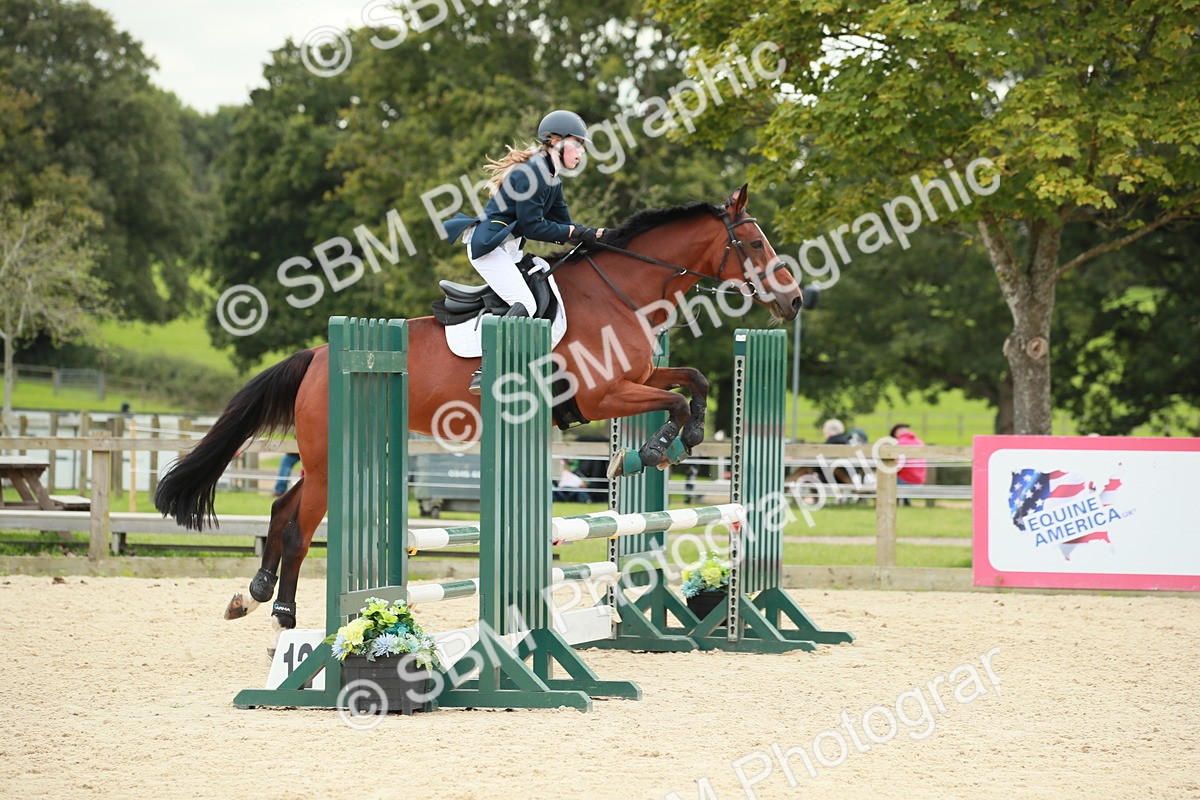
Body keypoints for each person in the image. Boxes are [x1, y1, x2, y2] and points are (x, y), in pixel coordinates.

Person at [442, 110, 606, 395]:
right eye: (577, 144)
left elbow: (564, 224)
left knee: (545, 281)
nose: (580, 152)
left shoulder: (551, 177)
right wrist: (574, 232)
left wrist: (595, 235)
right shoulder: (532, 172)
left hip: (510, 250)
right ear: (555, 141)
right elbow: (533, 226)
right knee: (525, 303)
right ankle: (487, 368)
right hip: (490, 248)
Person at [890, 423, 927, 506]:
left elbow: (896, 465)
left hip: (905, 481)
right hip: (920, 480)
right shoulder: (919, 442)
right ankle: (906, 501)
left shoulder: (899, 443)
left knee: (887, 477)